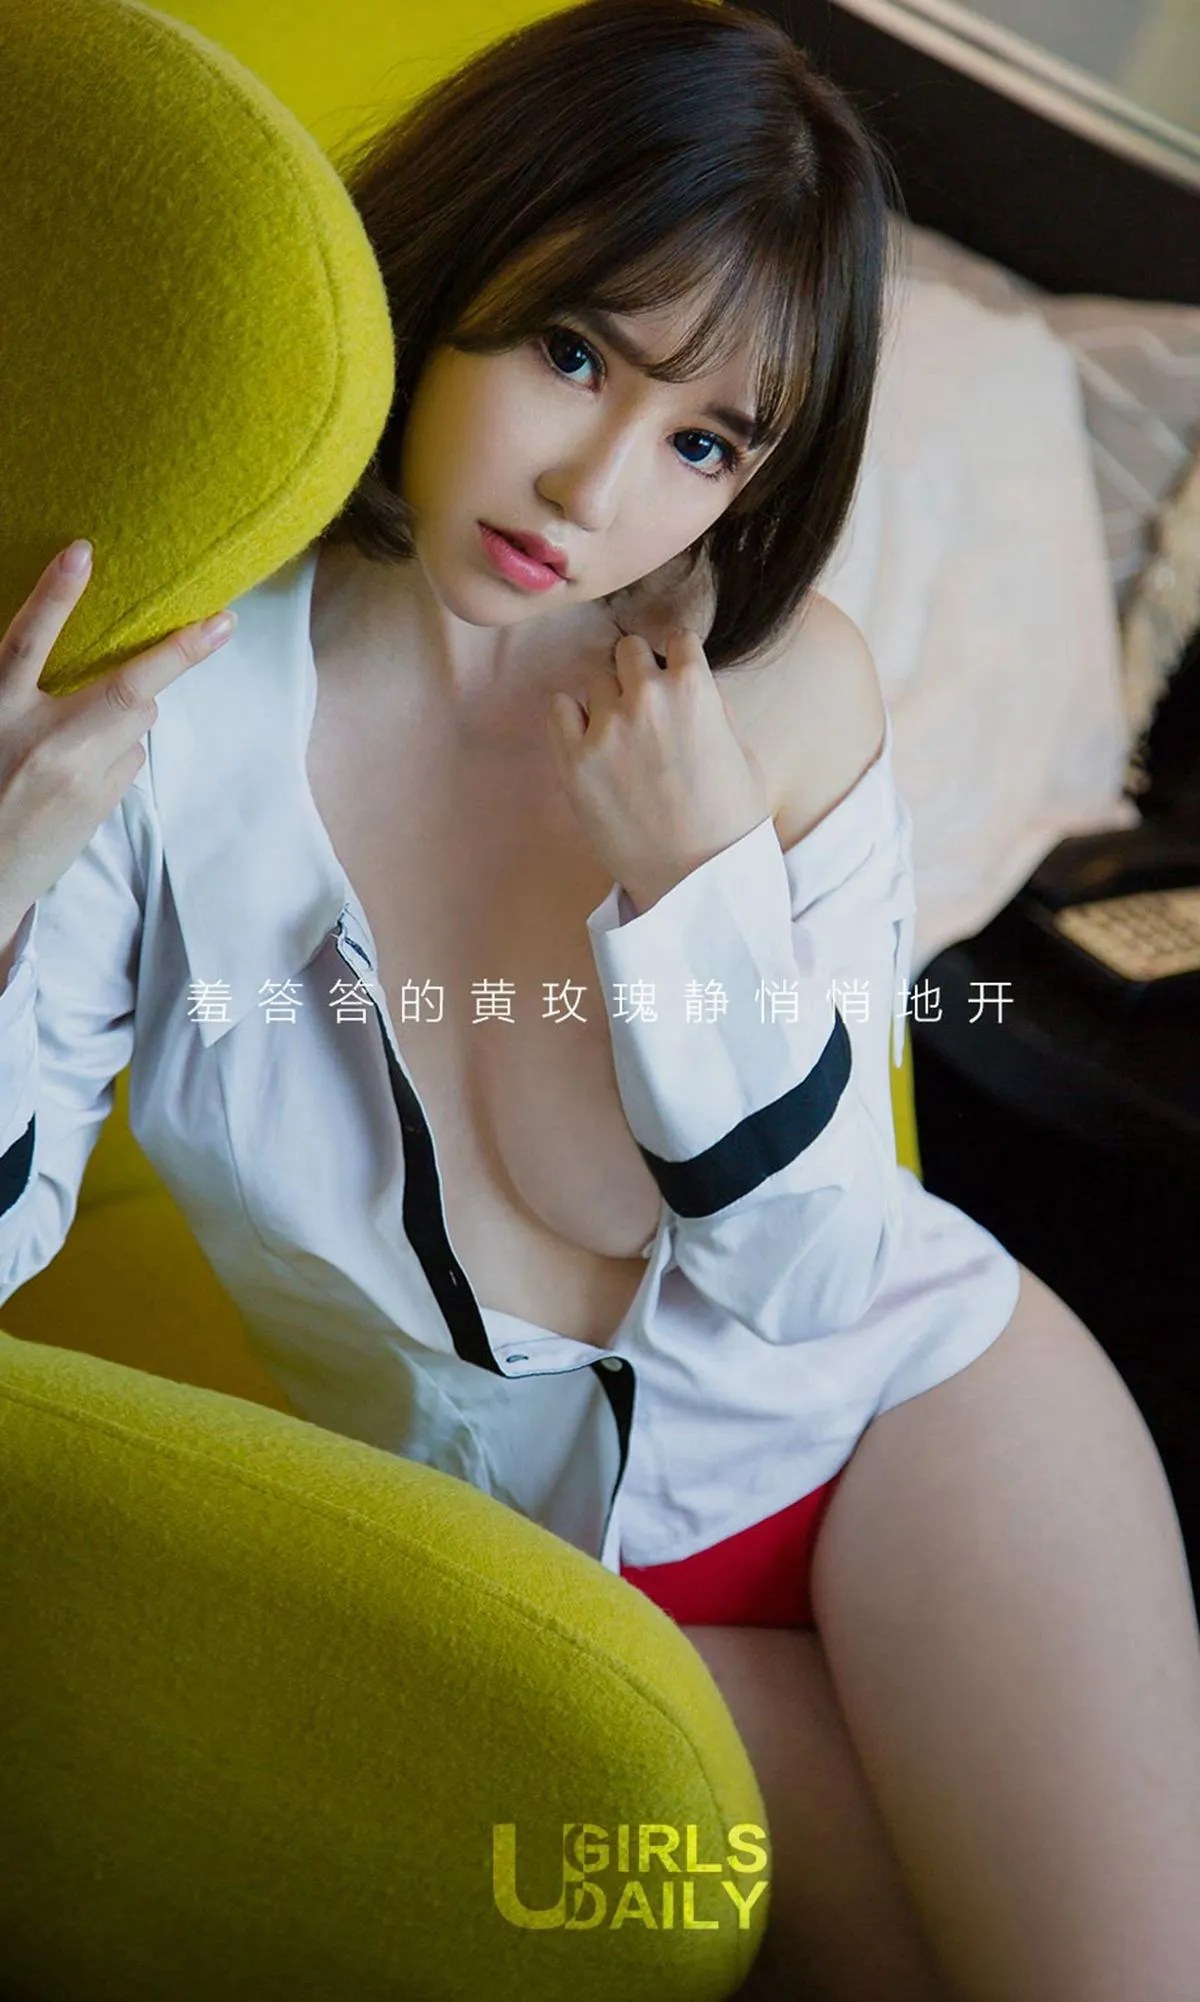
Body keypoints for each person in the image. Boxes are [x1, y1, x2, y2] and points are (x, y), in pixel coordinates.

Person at [2, 2, 1198, 1996]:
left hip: (928, 1430)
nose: (594, 485)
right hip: (576, 1602)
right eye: (570, 350)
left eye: (704, 439)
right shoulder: (173, 718)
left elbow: (816, 1269)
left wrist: (696, 874)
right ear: (454, 268)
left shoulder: (777, 700)